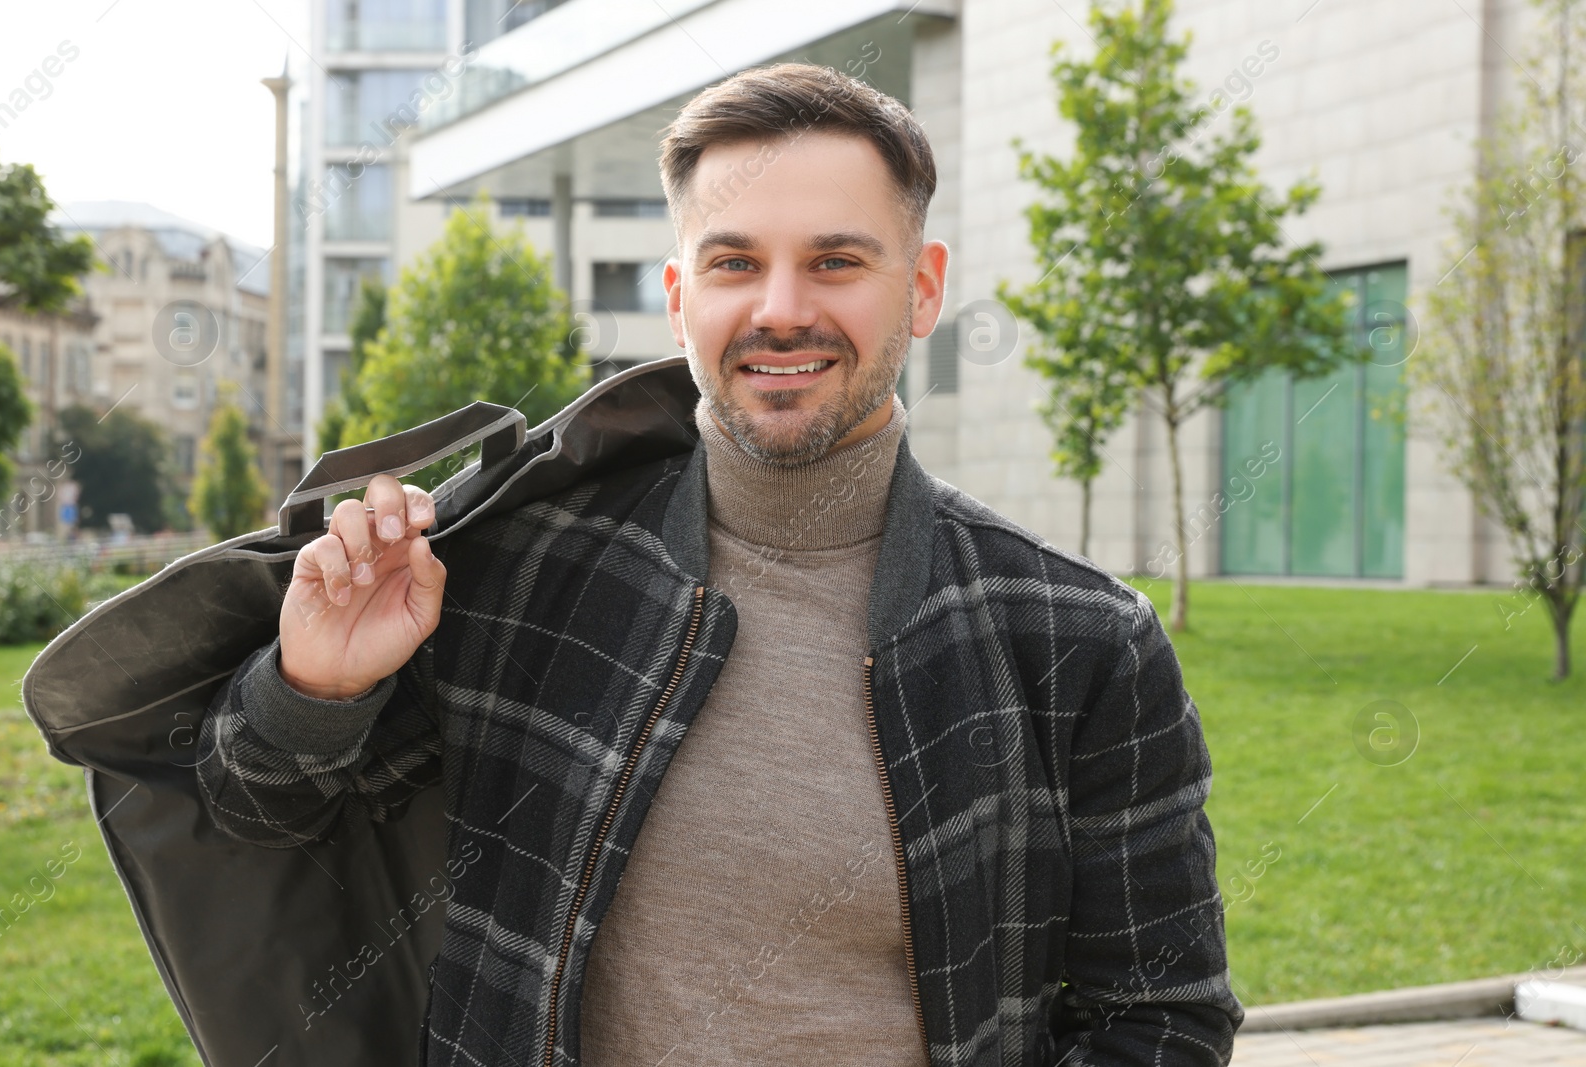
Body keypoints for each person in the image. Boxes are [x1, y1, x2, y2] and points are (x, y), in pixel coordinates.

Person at [198, 62, 1241, 1066]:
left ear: (922, 290)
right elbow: (258, 811)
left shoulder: (1080, 643)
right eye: (734, 262)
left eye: (835, 260)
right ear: (678, 295)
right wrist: (316, 684)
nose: (780, 308)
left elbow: (1161, 1015)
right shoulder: (518, 570)